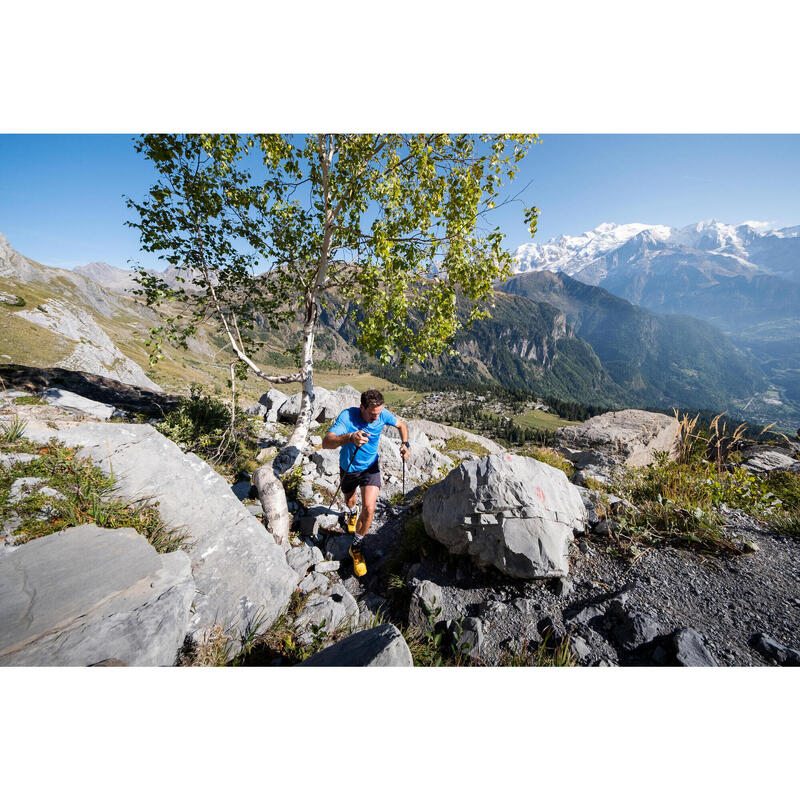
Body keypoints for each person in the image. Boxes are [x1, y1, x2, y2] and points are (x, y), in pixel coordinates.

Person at [323, 388, 409, 577]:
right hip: (349, 468)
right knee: (350, 501)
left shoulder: (382, 414)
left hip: (371, 468)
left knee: (369, 509)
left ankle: (356, 547)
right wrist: (350, 437)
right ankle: (351, 513)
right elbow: (326, 442)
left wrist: (405, 444)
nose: (376, 418)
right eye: (372, 414)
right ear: (362, 407)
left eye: (379, 414)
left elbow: (401, 425)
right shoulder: (348, 417)